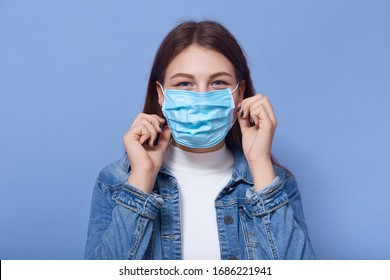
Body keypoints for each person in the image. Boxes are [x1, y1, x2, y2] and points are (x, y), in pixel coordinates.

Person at [84, 20, 315, 260]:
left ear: (239, 93)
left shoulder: (277, 182)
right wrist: (143, 176)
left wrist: (259, 163)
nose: (202, 96)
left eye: (218, 83)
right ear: (162, 94)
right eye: (184, 83)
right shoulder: (114, 183)